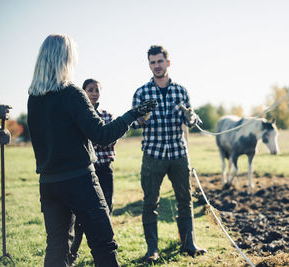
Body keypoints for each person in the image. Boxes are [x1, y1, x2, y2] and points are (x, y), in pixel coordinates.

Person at [27, 34, 157, 267]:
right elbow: (103, 136)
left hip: (49, 184)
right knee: (103, 243)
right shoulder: (72, 94)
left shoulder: (34, 98)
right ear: (65, 58)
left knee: (57, 247)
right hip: (79, 181)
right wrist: (133, 114)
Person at [132, 45, 206, 263]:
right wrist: (142, 118)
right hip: (153, 155)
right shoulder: (141, 92)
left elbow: (190, 122)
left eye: (160, 61)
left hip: (178, 154)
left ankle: (188, 244)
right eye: (152, 62)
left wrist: (191, 116)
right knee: (150, 202)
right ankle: (152, 250)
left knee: (185, 199)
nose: (157, 66)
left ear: (168, 63)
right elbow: (134, 122)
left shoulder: (181, 91)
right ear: (149, 65)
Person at [68, 78, 117, 265]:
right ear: (83, 92)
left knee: (106, 210)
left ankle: (105, 251)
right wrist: (99, 135)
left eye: (97, 89)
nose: (94, 93)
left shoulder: (107, 115)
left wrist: (97, 136)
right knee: (81, 216)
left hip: (104, 169)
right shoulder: (77, 114)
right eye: (90, 89)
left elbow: (108, 140)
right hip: (85, 171)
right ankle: (72, 253)